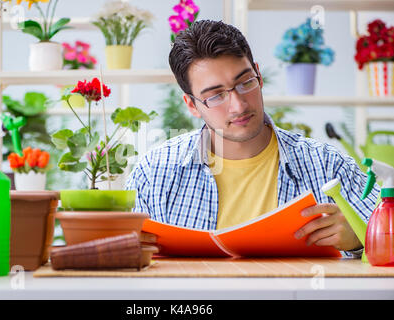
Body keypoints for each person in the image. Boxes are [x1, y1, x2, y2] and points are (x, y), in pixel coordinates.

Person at [125, 20, 379, 257]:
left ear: (258, 74)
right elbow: (125, 269)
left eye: (245, 82)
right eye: (215, 96)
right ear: (191, 105)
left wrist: (360, 240)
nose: (238, 105)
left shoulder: (328, 166)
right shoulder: (154, 174)